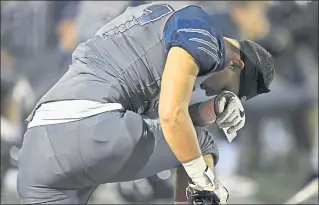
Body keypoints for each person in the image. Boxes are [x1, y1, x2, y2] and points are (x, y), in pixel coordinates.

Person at [17, 2, 275, 204]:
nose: (209, 91)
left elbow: (153, 117)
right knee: (199, 143)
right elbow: (172, 117)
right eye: (228, 89)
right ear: (235, 64)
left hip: (37, 147)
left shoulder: (151, 24)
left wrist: (212, 110)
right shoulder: (204, 35)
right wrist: (204, 183)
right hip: (90, 127)